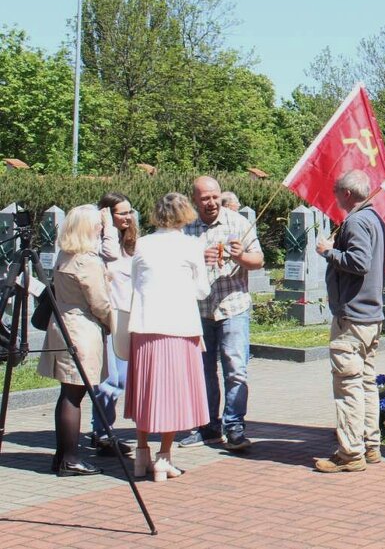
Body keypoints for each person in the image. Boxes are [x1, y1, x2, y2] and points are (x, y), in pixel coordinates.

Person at [124, 193, 211, 481]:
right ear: (185, 214)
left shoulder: (144, 243)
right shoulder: (191, 245)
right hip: (179, 326)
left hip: (146, 324)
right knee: (173, 392)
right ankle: (164, 457)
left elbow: (135, 281)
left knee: (146, 390)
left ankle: (141, 453)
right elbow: (202, 291)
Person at [178, 176, 264, 452]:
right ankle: (208, 426)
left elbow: (258, 261)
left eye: (214, 197)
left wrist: (240, 257)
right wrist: (196, 262)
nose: (211, 203)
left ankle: (235, 426)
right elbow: (176, 266)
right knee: (204, 371)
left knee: (235, 369)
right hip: (200, 309)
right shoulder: (186, 227)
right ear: (195, 200)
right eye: (205, 198)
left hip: (233, 306)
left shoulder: (237, 223)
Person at [314, 169, 385, 472]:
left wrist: (329, 252)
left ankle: (350, 452)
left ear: (346, 193)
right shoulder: (374, 219)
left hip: (352, 316)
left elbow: (358, 262)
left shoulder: (357, 221)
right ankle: (370, 444)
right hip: (370, 314)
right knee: (366, 382)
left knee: (348, 386)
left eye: (335, 193)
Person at [39, 205, 114, 477]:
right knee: (74, 394)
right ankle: (70, 459)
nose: (101, 228)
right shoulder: (87, 261)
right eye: (98, 225)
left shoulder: (65, 254)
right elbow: (100, 303)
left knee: (67, 393)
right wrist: (113, 324)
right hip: (81, 329)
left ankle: (62, 456)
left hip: (63, 324)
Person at [87, 192, 137, 457]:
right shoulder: (100, 244)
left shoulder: (130, 241)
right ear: (106, 214)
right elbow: (111, 257)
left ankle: (104, 430)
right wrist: (106, 225)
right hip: (109, 318)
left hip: (129, 317)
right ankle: (102, 433)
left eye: (130, 212)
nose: (128, 217)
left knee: (122, 379)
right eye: (121, 213)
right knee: (111, 380)